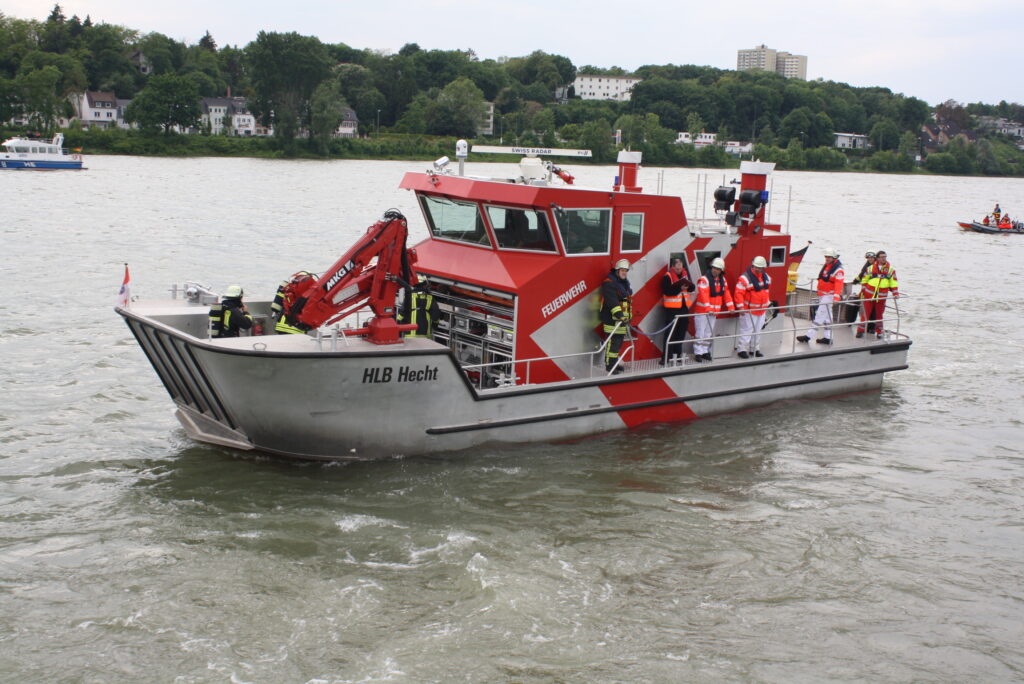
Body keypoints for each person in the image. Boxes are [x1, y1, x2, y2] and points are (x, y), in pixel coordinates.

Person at [797, 247, 844, 345]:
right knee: (827, 318)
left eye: (829, 257)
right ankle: (828, 337)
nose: (827, 258)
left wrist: (836, 297)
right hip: (823, 295)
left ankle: (808, 336)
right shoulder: (827, 266)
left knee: (819, 315)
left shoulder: (838, 270)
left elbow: (839, 284)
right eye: (826, 256)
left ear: (834, 258)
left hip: (829, 296)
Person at [692, 257, 734, 362]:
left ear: (721, 271)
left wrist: (731, 307)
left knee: (708, 333)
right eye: (714, 268)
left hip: (713, 313)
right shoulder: (704, 280)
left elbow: (726, 293)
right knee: (700, 333)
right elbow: (704, 295)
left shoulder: (722, 280)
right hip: (702, 312)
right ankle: (698, 353)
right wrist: (708, 308)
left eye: (718, 269)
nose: (715, 270)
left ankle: (705, 351)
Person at [734, 256, 772, 358]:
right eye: (757, 267)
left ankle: (754, 349)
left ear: (763, 268)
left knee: (757, 331)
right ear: (753, 266)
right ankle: (742, 350)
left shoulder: (767, 277)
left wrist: (767, 304)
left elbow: (766, 292)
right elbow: (738, 294)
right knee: (746, 331)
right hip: (749, 311)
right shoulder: (744, 279)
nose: (758, 269)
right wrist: (741, 308)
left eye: (760, 268)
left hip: (761, 310)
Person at [599, 259, 633, 373]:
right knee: (612, 343)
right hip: (612, 320)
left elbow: (627, 301)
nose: (624, 273)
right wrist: (620, 315)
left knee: (618, 345)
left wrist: (627, 317)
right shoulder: (609, 283)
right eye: (622, 270)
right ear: (617, 271)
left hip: (621, 320)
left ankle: (614, 363)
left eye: (626, 271)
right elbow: (612, 302)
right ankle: (609, 366)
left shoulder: (624, 284)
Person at [660, 257, 695, 364]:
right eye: (677, 268)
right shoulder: (667, 276)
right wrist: (680, 288)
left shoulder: (685, 275)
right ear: (673, 267)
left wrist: (689, 286)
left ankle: (677, 354)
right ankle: (666, 357)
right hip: (672, 310)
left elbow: (692, 288)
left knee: (681, 333)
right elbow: (667, 291)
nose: (679, 270)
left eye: (681, 268)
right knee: (670, 334)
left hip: (684, 308)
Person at [857, 249, 899, 338]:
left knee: (879, 315)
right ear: (877, 258)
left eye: (885, 257)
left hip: (881, 297)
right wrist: (863, 290)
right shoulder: (870, 268)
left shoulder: (891, 270)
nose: (884, 258)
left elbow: (893, 282)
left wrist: (895, 293)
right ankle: (860, 331)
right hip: (869, 295)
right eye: (882, 257)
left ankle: (879, 332)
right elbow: (864, 279)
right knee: (866, 314)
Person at [271, 270, 315, 334]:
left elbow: (277, 306)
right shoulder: (307, 292)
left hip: (281, 327)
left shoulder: (289, 289)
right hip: (297, 330)